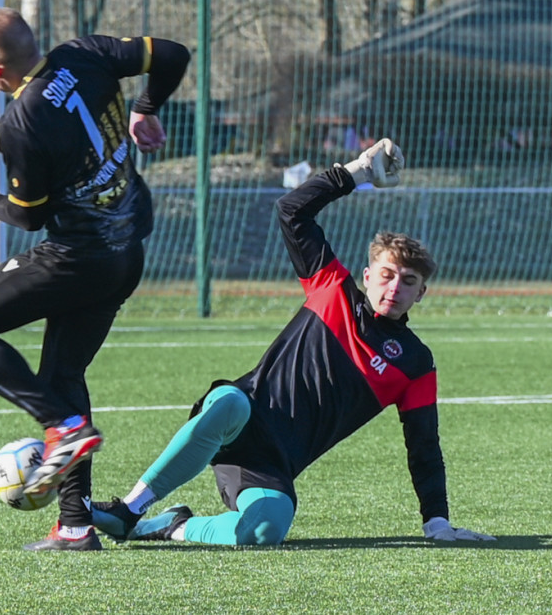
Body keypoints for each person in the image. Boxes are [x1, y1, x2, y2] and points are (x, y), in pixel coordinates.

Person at [91, 139, 496, 546]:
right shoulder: (332, 287)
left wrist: (437, 523)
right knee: (231, 401)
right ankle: (130, 509)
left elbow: (424, 446)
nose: (395, 287)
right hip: (239, 416)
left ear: (421, 294)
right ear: (368, 276)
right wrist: (357, 171)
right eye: (387, 275)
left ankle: (169, 526)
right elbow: (292, 210)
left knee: (266, 529)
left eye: (409, 282)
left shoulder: (415, 364)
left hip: (272, 463)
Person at [0, 8, 190, 551]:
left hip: (78, 259)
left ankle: (60, 428)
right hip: (128, 251)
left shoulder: (20, 123)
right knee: (64, 373)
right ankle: (74, 525)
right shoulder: (85, 53)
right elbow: (173, 54)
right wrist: (145, 108)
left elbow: (27, 215)